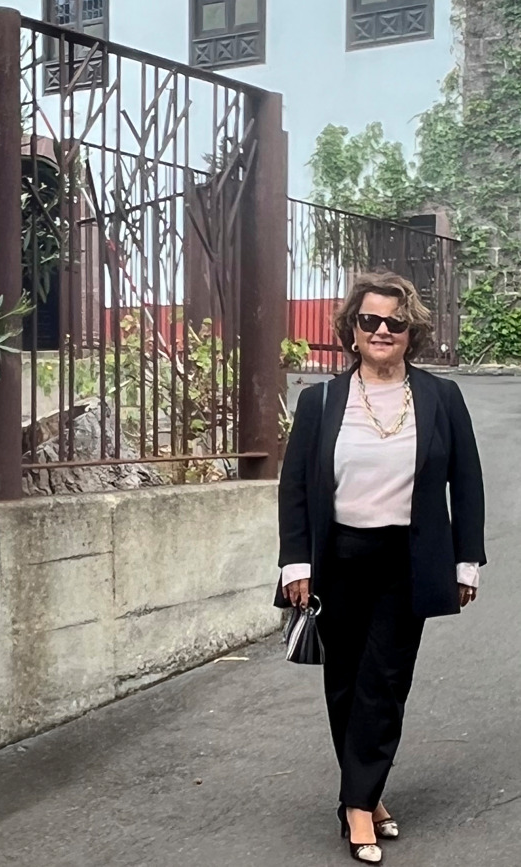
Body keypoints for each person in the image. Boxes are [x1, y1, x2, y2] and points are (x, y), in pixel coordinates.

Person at [275, 271, 486, 864]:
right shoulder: (320, 401)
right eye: (370, 320)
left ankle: (358, 808)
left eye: (396, 322)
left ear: (411, 331)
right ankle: (364, 793)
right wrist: (295, 562)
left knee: (385, 681)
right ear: (352, 329)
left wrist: (466, 561)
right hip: (338, 559)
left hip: (407, 560)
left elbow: (467, 482)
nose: (382, 330)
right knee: (344, 682)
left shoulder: (442, 397)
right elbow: (295, 488)